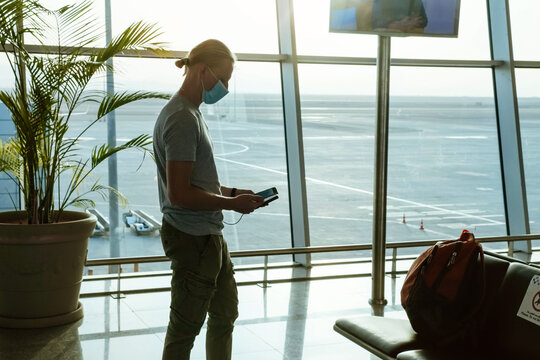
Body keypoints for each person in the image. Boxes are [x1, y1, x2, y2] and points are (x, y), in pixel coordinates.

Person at [153, 39, 264, 360]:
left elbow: (198, 182)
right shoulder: (182, 119)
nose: (226, 87)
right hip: (193, 239)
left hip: (209, 236)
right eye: (224, 79)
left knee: (225, 314)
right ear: (203, 71)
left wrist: (232, 193)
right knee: (185, 329)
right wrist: (231, 205)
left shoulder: (191, 114)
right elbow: (180, 193)